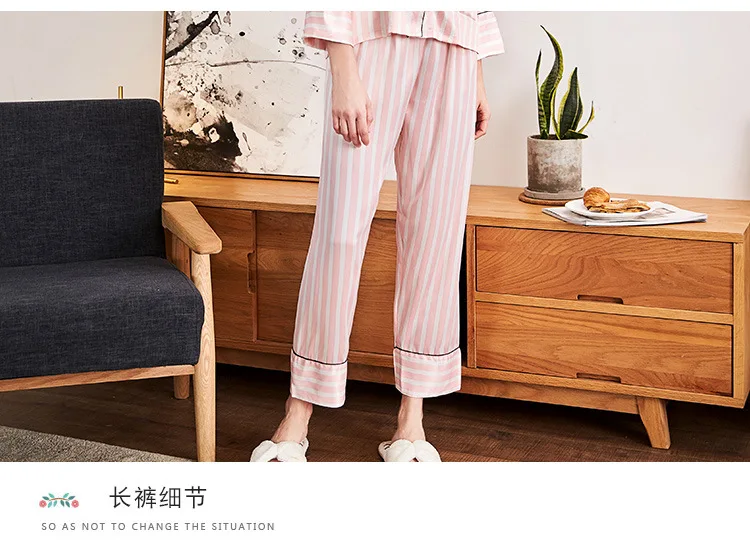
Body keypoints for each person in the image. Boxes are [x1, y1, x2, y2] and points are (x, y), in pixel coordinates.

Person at [250, 11, 504, 462]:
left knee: (435, 236)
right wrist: (343, 69)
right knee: (340, 234)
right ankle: (298, 412)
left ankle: (411, 421)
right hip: (375, 38)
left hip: (455, 50)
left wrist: (477, 71)